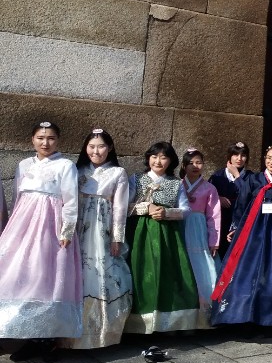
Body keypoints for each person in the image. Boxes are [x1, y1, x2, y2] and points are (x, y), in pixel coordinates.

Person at [0, 122, 81, 362]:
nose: (45, 143)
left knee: (45, 277)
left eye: (51, 138)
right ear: (32, 139)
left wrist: (66, 231)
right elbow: (17, 197)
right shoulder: (24, 165)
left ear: (58, 140)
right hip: (23, 226)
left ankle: (46, 340)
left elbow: (71, 201)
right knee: (19, 275)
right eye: (40, 138)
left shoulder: (66, 166)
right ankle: (26, 335)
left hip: (50, 226)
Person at [211, 145, 272, 330]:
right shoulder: (255, 180)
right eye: (269, 158)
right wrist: (235, 226)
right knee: (249, 272)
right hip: (254, 232)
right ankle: (245, 318)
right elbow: (242, 204)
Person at [126, 141, 206, 333]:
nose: (158, 161)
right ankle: (138, 324)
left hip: (168, 237)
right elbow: (125, 206)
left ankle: (168, 323)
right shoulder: (136, 179)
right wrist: (146, 208)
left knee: (168, 274)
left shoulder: (175, 183)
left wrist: (167, 213)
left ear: (171, 161)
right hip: (140, 234)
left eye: (163, 157)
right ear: (148, 159)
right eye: (154, 157)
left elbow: (186, 210)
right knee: (142, 272)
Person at [66, 128, 133, 350]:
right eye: (92, 146)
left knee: (103, 273)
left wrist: (117, 237)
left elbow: (120, 208)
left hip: (102, 230)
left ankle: (103, 333)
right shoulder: (76, 170)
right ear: (85, 148)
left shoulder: (117, 173)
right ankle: (68, 333)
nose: (96, 151)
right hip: (78, 228)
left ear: (110, 148)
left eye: (101, 146)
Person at [179, 148, 221, 316]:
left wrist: (214, 240)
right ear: (183, 165)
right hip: (180, 225)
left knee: (201, 264)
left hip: (199, 229)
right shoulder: (177, 185)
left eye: (198, 162)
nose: (194, 166)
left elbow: (214, 216)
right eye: (190, 163)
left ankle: (204, 310)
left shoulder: (210, 188)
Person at [209, 142, 253, 258]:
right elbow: (207, 196)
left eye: (243, 155)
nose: (239, 159)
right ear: (229, 156)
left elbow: (249, 195)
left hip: (240, 220)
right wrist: (218, 198)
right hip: (221, 220)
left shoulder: (251, 177)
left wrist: (237, 175)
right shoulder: (218, 176)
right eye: (235, 155)